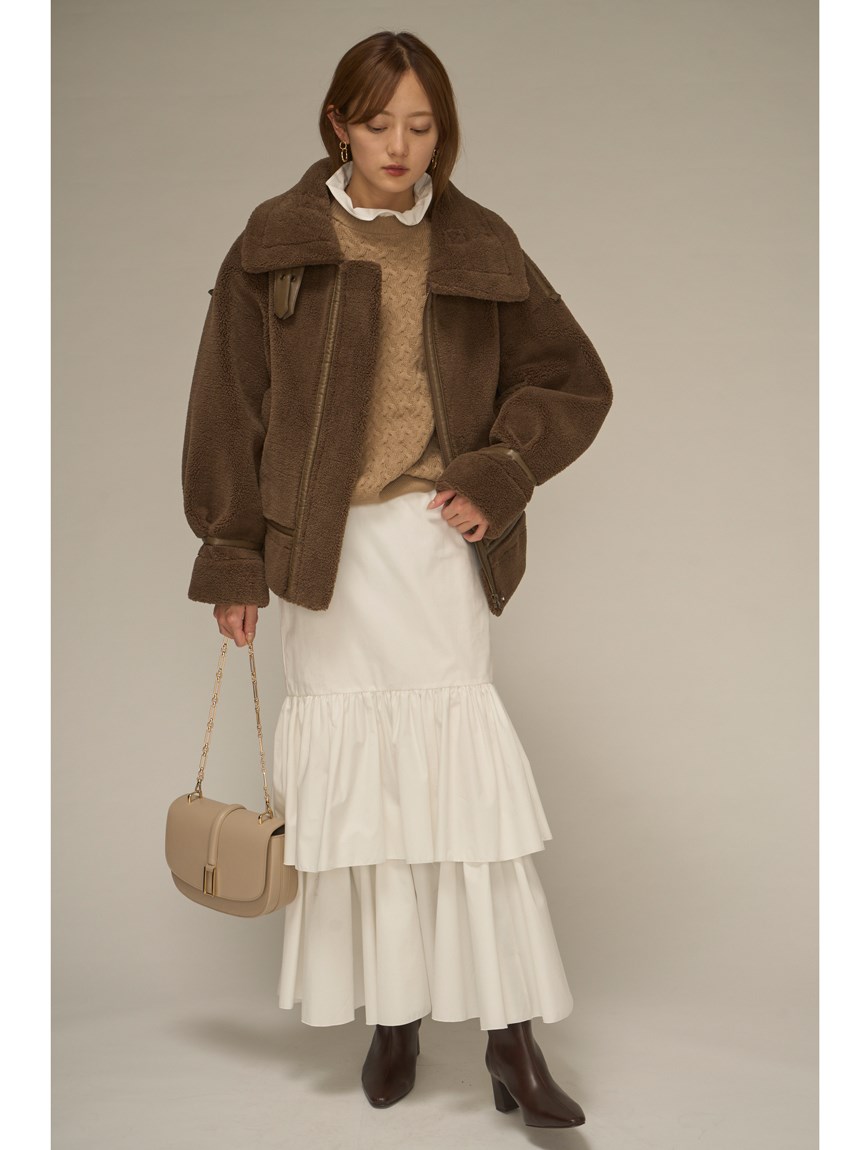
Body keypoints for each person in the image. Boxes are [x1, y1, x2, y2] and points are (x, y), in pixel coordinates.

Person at [181, 29, 613, 1130]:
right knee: (357, 803)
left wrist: (498, 472)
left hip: (429, 550)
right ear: (339, 122)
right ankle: (393, 1015)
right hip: (320, 561)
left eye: (421, 126)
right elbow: (229, 407)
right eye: (379, 123)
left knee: (463, 801)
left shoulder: (478, 242)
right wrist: (232, 553)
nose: (400, 146)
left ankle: (513, 1041)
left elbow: (572, 379)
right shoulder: (276, 243)